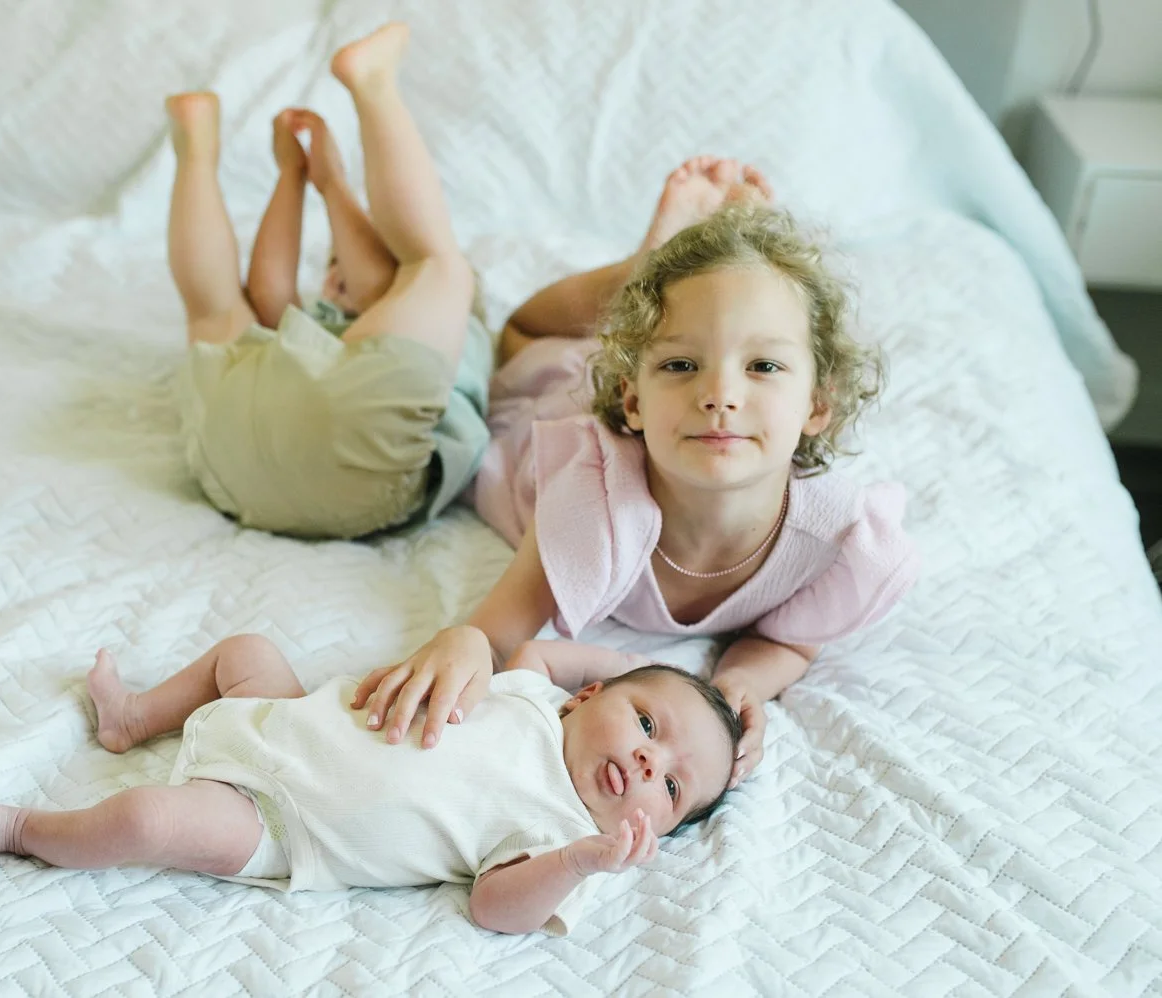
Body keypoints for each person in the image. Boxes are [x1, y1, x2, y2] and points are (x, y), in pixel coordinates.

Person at [349, 161, 919, 788]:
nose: (720, 393)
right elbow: (493, 634)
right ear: (634, 403)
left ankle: (661, 292)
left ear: (818, 403)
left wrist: (740, 681)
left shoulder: (834, 540)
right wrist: (461, 643)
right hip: (546, 396)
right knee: (512, 336)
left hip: (623, 377)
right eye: (682, 364)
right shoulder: (595, 499)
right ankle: (640, 269)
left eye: (763, 366)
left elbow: (791, 638)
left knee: (647, 327)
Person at [0, 637, 743, 936]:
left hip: (283, 823)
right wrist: (641, 669)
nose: (648, 765)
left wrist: (584, 864)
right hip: (285, 716)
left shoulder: (566, 836)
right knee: (244, 648)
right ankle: (133, 720)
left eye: (672, 789)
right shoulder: (529, 691)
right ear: (588, 696)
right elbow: (544, 648)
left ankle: (23, 830)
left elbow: (494, 908)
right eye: (648, 725)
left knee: (148, 818)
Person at [167, 21, 492, 540]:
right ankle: (368, 85)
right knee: (429, 264)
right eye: (332, 264)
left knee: (438, 266)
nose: (338, 274)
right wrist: (291, 177)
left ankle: (197, 152)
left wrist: (329, 182)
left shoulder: (460, 327)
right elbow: (274, 294)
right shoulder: (332, 339)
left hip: (229, 458)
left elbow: (381, 288)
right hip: (336, 480)